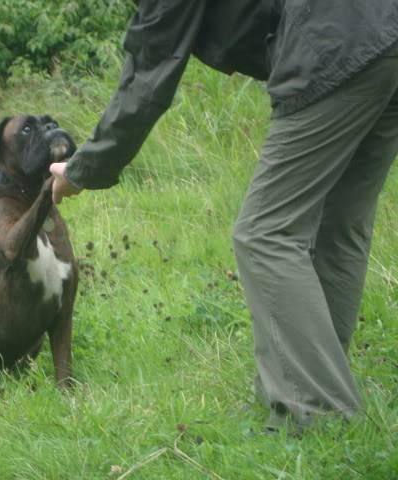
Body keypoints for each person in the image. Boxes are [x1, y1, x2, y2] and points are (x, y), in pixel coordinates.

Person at [48, 0, 398, 431]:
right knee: (339, 225)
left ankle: (318, 411)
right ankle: (301, 394)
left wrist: (82, 171)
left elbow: (150, 73)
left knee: (266, 234)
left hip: (335, 42)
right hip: (383, 31)